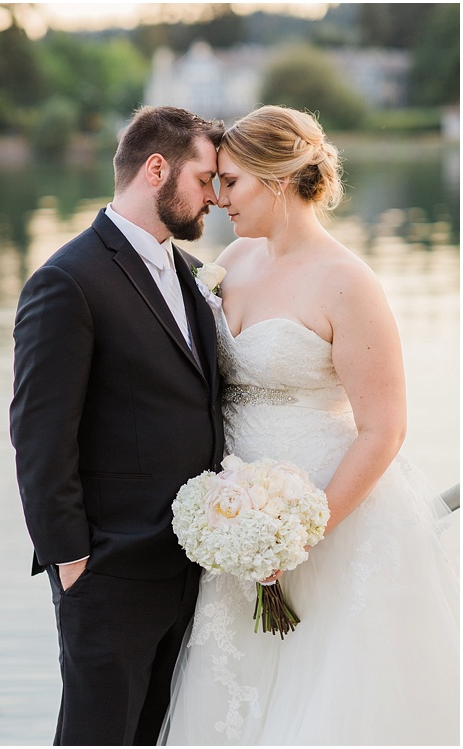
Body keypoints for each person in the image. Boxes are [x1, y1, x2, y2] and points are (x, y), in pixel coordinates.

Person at [160, 105, 459, 745]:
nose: (217, 197)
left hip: (326, 518)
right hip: (236, 521)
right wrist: (239, 528)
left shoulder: (347, 282)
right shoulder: (234, 262)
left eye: (231, 181)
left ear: (278, 180)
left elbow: (384, 428)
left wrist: (303, 531)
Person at [10, 106, 226, 745]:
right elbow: (40, 433)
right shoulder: (67, 279)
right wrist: (73, 560)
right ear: (156, 168)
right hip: (109, 569)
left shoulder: (187, 274)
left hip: (187, 562)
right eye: (205, 178)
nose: (213, 197)